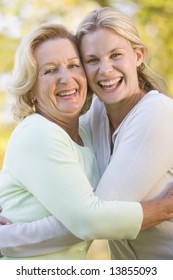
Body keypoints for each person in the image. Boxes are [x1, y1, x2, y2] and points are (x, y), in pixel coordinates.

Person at [1, 8, 173, 260]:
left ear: (138, 56)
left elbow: (91, 219)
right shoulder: (95, 116)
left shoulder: (157, 114)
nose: (105, 70)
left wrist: (7, 238)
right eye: (92, 60)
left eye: (115, 55)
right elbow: (90, 217)